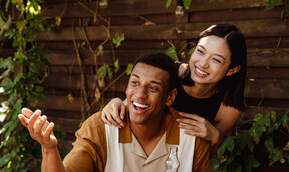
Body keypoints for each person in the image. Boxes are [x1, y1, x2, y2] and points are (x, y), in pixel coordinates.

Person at [18, 52, 217, 172]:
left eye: (153, 88)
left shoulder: (190, 134)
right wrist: (49, 148)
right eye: (135, 82)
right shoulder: (100, 128)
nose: (140, 94)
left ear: (170, 97)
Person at [101, 24, 247, 157]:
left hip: (180, 166)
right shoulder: (169, 73)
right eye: (200, 51)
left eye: (216, 60)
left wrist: (215, 137)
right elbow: (132, 102)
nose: (203, 64)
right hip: (137, 152)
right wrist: (116, 102)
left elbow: (208, 156)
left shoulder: (229, 106)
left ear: (232, 69)